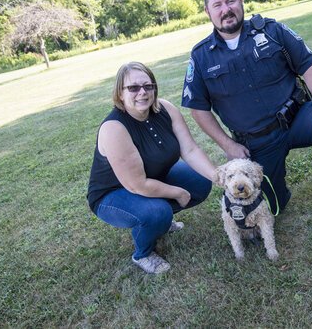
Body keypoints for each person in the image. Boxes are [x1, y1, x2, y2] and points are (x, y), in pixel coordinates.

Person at [181, 0, 312, 240]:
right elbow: (198, 109)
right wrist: (227, 145)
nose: (226, 9)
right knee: (272, 207)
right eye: (217, 5)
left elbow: (309, 63)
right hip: (256, 142)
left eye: (230, 1)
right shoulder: (201, 56)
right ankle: (279, 189)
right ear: (208, 12)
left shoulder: (271, 31)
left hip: (297, 119)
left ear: (241, 1)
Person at [88, 61, 216, 274]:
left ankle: (159, 221)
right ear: (120, 93)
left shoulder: (166, 108)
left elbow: (191, 150)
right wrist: (178, 192)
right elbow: (137, 185)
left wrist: (218, 176)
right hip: (113, 195)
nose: (142, 92)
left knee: (200, 180)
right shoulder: (114, 128)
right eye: (133, 88)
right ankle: (143, 252)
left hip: (151, 180)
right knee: (157, 212)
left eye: (148, 86)